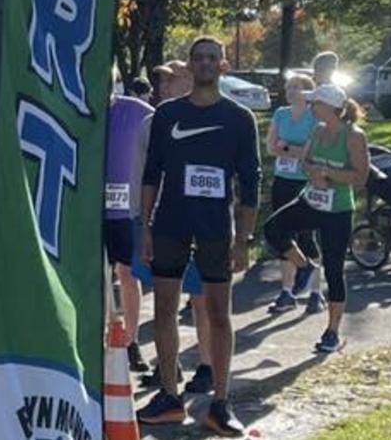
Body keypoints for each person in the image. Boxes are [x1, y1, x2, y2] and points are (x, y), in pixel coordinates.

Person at [136, 37, 259, 436]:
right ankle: (170, 396)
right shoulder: (168, 113)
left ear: (222, 65)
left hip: (214, 228)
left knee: (219, 314)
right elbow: (152, 172)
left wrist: (244, 239)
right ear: (190, 66)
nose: (205, 63)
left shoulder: (240, 118)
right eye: (199, 57)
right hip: (171, 222)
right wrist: (145, 226)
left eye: (212, 58)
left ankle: (220, 404)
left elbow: (251, 183)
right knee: (164, 311)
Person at [295, 83, 369, 354]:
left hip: (338, 209)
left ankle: (332, 331)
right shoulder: (317, 131)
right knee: (274, 229)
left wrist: (327, 173)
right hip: (312, 200)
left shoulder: (353, 136)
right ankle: (303, 267)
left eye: (315, 103)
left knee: (334, 268)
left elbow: (360, 177)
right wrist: (313, 172)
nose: (312, 107)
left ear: (330, 107)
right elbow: (304, 162)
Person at [262, 75, 325, 314]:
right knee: (282, 236)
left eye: (296, 87)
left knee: (307, 237)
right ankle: (287, 292)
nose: (290, 91)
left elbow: (313, 153)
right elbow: (270, 147)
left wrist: (286, 147)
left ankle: (316, 293)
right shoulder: (281, 114)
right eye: (288, 87)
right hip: (283, 180)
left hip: (307, 182)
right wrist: (293, 150)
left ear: (308, 92)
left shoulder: (315, 117)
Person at [103, 88, 155, 375]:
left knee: (128, 274)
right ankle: (97, 342)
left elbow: (162, 136)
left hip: (126, 209)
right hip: (90, 210)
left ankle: (131, 341)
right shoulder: (81, 110)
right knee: (94, 277)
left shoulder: (135, 110)